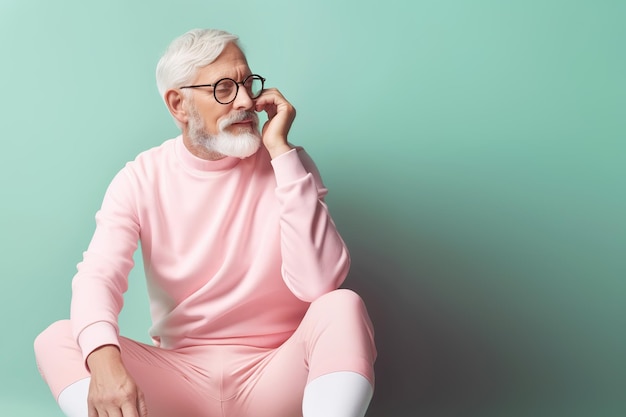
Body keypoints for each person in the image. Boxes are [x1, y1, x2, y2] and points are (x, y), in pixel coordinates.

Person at [34, 28, 376, 417]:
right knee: (59, 339)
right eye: (225, 89)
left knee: (342, 306)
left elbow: (318, 284)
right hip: (179, 378)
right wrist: (105, 364)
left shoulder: (288, 165)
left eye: (249, 84)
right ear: (179, 104)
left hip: (276, 374)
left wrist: (280, 150)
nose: (246, 101)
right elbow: (99, 277)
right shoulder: (141, 177)